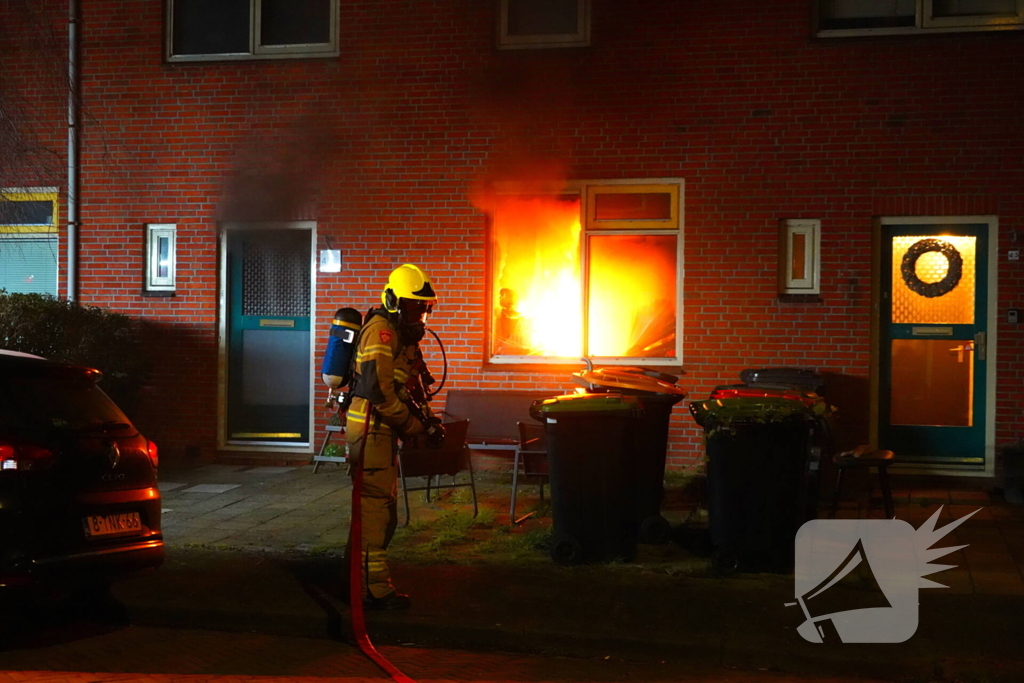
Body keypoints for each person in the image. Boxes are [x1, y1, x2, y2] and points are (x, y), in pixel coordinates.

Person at [345, 263, 444, 610]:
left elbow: (412, 386)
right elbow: (379, 392)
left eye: (425, 308)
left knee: (382, 511)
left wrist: (430, 422)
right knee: (375, 513)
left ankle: (359, 581)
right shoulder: (381, 333)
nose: (421, 316)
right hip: (371, 430)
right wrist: (415, 427)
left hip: (383, 433)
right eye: (415, 306)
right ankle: (373, 591)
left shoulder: (403, 337)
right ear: (392, 301)